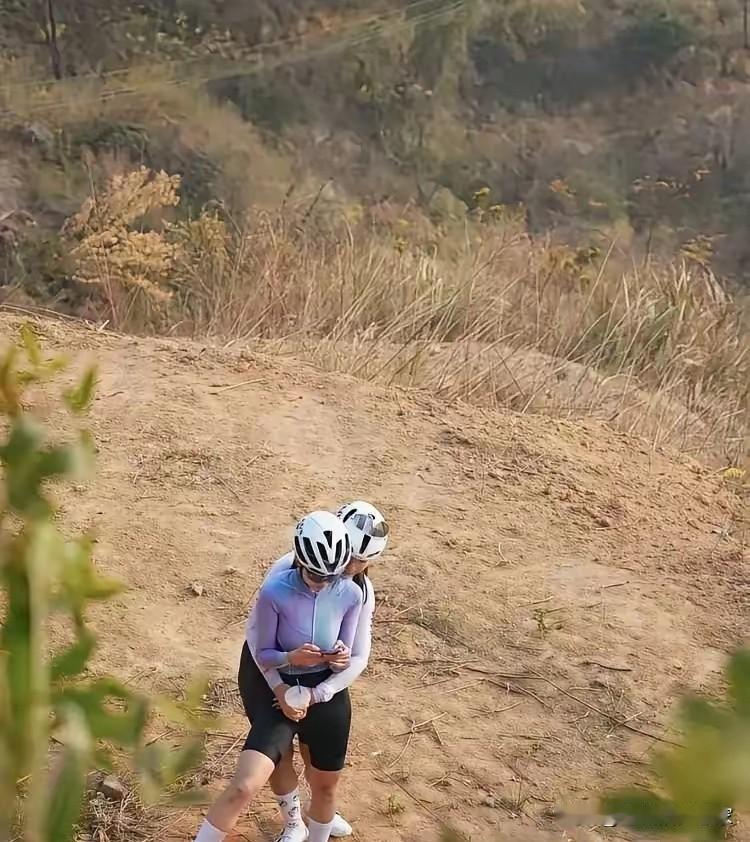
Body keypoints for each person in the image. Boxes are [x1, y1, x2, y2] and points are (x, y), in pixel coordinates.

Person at [193, 510, 362, 842]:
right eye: (314, 574)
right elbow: (263, 652)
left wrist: (339, 657)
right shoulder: (275, 591)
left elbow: (347, 655)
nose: (320, 583)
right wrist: (290, 660)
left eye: (329, 577)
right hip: (279, 688)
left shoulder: (351, 594)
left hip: (323, 693)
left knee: (325, 787)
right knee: (244, 786)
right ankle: (292, 822)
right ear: (299, 559)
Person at [246, 501, 390, 842]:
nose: (351, 566)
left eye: (362, 561)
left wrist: (321, 690)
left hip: (318, 680)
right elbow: (254, 637)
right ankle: (293, 821)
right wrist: (279, 687)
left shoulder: (358, 592)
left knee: (317, 758)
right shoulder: (288, 570)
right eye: (350, 556)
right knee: (279, 754)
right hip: (268, 668)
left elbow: (359, 656)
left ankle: (320, 812)